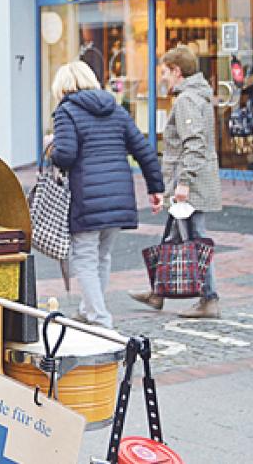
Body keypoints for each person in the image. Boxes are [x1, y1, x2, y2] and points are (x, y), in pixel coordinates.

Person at [48, 61, 164, 328]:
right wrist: (155, 189)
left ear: (62, 86)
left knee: (86, 258)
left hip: (87, 196)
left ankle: (100, 319)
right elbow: (144, 150)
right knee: (102, 256)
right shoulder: (116, 109)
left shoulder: (67, 111)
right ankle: (89, 309)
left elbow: (65, 155)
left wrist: (51, 148)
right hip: (119, 195)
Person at [130, 46, 222, 318]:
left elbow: (194, 143)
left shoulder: (186, 101)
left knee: (194, 239)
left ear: (177, 71)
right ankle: (157, 293)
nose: (164, 78)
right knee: (172, 236)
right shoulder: (197, 96)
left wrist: (184, 183)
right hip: (187, 183)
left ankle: (210, 298)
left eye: (165, 72)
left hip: (190, 186)